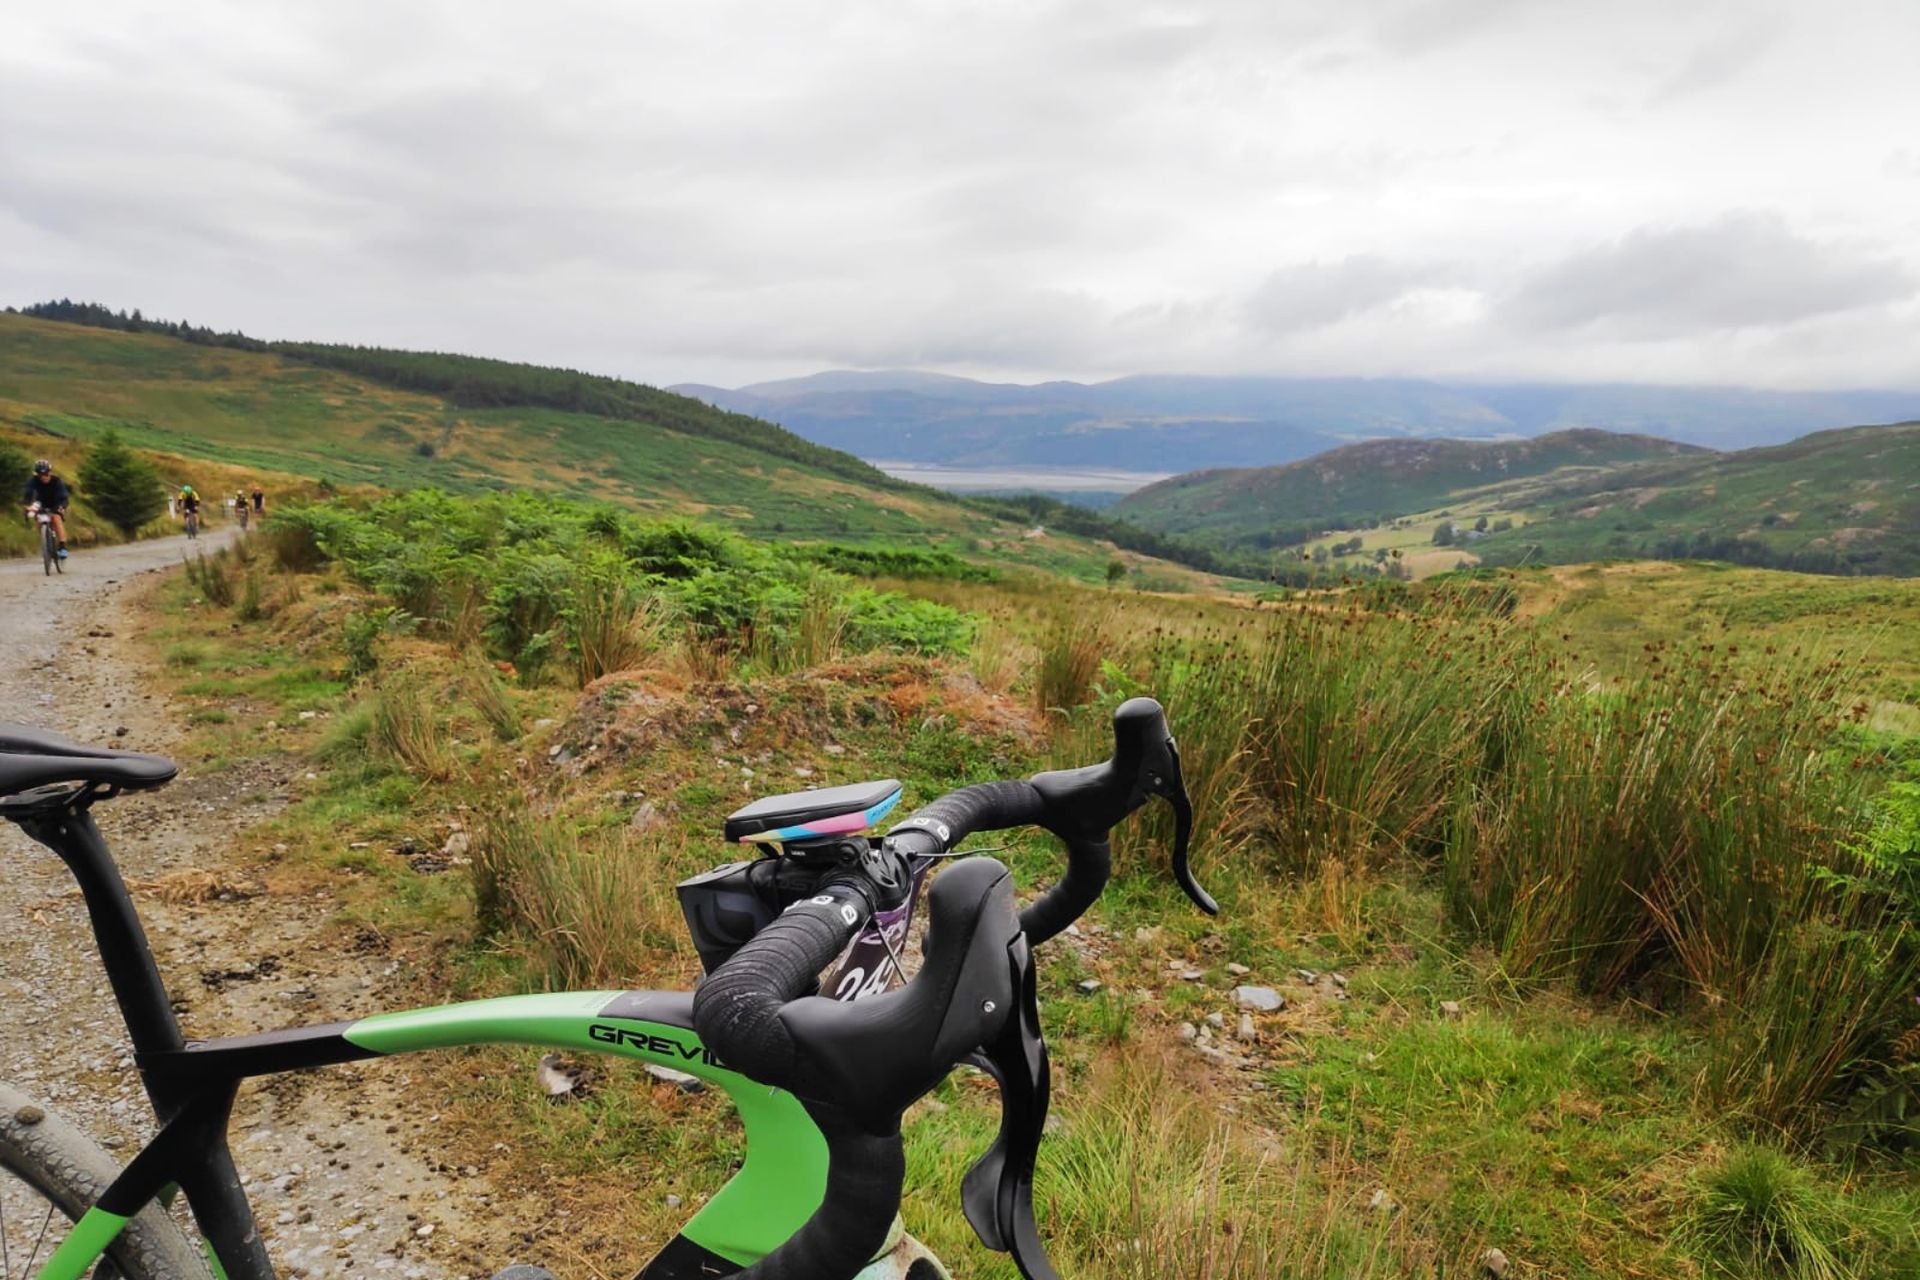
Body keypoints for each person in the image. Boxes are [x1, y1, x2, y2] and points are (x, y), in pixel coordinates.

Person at [22, 459, 70, 559]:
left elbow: (64, 496)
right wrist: (27, 506)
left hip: (56, 503)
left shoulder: (57, 481)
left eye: (46, 474)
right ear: (37, 475)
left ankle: (62, 546)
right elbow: (28, 494)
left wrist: (62, 507)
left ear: (50, 472)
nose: (44, 477)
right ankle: (45, 542)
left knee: (56, 518)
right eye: (41, 475)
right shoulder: (33, 481)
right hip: (41, 504)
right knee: (39, 519)